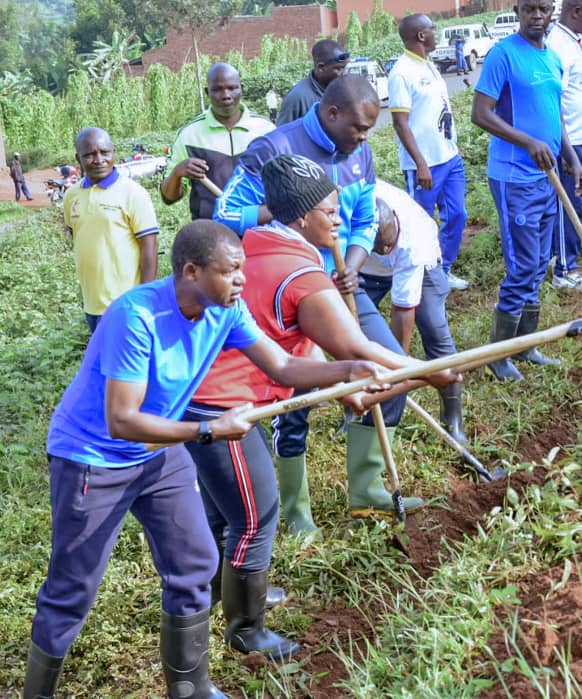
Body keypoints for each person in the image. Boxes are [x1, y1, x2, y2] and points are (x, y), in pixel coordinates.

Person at [22, 220, 384, 699]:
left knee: (195, 563)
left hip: (159, 455)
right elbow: (122, 421)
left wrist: (348, 370)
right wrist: (209, 429)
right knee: (72, 589)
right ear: (191, 271)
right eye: (231, 271)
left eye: (243, 271)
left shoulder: (226, 312)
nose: (241, 281)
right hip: (94, 459)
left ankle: (190, 689)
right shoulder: (136, 317)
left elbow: (282, 366)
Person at [185, 156, 452, 664]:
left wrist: (346, 385)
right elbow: (360, 348)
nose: (337, 220)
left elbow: (289, 335)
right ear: (304, 216)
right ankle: (247, 630)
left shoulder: (253, 247)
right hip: (225, 406)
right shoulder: (304, 270)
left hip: (199, 399)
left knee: (222, 512)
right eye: (329, 211)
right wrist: (429, 371)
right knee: (256, 516)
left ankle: (230, 592)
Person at [215, 75, 422, 533]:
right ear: (332, 115)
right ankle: (294, 512)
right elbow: (225, 216)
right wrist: (290, 209)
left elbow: (365, 218)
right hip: (283, 289)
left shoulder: (360, 153)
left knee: (390, 374)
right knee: (295, 397)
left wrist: (354, 260)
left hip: (339, 287)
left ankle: (367, 491)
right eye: (360, 128)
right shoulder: (273, 149)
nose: (365, 138)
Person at [471, 0, 582, 382]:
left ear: (552, 12)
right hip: (513, 177)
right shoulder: (503, 55)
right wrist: (527, 142)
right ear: (518, 11)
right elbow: (481, 113)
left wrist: (572, 158)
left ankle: (527, 345)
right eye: (529, 9)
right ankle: (499, 354)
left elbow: (556, 116)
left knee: (541, 261)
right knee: (522, 265)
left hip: (548, 175)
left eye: (542, 9)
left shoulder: (552, 57)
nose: (536, 16)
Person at [362, 179, 468, 443]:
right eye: (380, 248)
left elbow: (403, 310)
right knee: (358, 337)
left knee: (434, 328)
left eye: (389, 245)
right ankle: (358, 412)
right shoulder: (346, 216)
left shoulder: (413, 240)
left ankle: (453, 421)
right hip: (361, 267)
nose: (386, 252)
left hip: (420, 262)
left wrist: (400, 371)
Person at [389, 14, 471, 291]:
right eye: (433, 29)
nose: (437, 33)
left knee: (457, 215)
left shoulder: (429, 66)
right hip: (424, 166)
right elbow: (400, 124)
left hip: (449, 158)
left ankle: (443, 270)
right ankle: (420, 279)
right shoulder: (401, 71)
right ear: (421, 36)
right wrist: (421, 164)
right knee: (420, 223)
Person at [64, 127, 159, 331]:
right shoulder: (72, 195)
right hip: (92, 304)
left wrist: (145, 298)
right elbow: (78, 236)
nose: (99, 160)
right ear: (78, 158)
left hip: (127, 304)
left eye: (104, 152)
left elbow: (149, 246)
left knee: (127, 362)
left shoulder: (133, 193)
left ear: (113, 152)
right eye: (89, 155)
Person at [161, 63, 275, 221]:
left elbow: (284, 184)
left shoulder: (266, 130)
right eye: (217, 89)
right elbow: (168, 198)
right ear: (208, 92)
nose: (226, 95)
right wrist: (177, 173)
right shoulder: (189, 135)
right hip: (211, 234)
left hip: (260, 227)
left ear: (242, 89)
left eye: (232, 88)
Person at [547, 0, 582, 290]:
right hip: (569, 141)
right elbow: (554, 102)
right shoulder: (558, 44)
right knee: (569, 204)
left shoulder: (575, 39)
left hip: (580, 136)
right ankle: (565, 270)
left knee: (571, 200)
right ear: (576, 11)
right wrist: (567, 152)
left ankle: (559, 256)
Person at [277, 39, 350, 125]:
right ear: (321, 68)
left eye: (345, 68)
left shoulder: (342, 91)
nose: (344, 74)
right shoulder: (297, 98)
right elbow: (282, 135)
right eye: (338, 69)